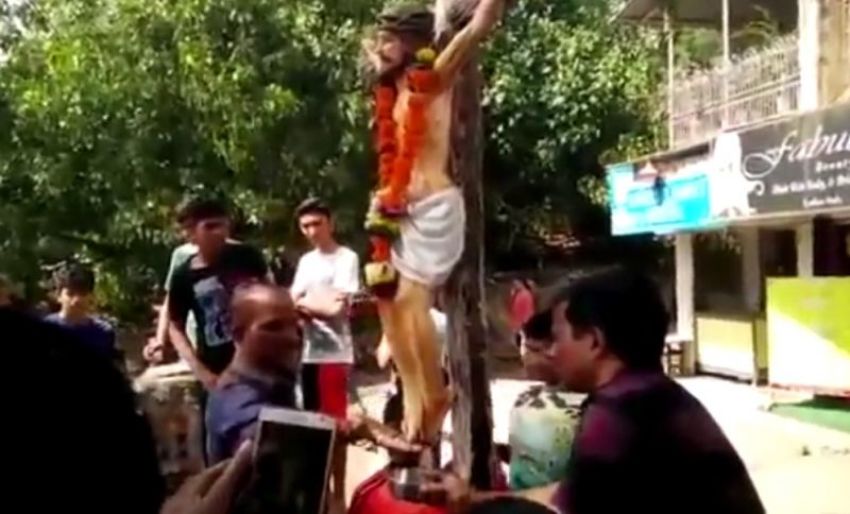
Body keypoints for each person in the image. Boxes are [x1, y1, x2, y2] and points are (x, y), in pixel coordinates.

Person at [425, 269, 765, 514]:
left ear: (594, 341)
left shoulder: (618, 410)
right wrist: (475, 498)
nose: (552, 351)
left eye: (558, 338)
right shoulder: (657, 394)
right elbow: (573, 493)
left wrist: (472, 504)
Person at [360, 0, 506, 443]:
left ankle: (437, 394)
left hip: (436, 207)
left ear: (411, 42)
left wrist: (488, 9)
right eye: (380, 38)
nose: (381, 47)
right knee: (386, 299)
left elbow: (479, 27)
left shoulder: (434, 78)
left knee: (410, 301)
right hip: (401, 210)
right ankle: (415, 394)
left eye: (390, 39)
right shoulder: (394, 89)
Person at [289, 197, 360, 506]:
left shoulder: (346, 258)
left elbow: (337, 309)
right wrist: (310, 302)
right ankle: (322, 496)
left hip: (334, 353)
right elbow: (290, 301)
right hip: (308, 354)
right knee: (313, 430)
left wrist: (306, 302)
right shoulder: (306, 262)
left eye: (317, 223)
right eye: (305, 225)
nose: (312, 231)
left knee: (337, 429)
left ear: (330, 223)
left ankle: (340, 496)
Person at [167, 197, 269, 390]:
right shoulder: (184, 274)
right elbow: (175, 325)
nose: (219, 232)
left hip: (258, 367)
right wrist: (202, 373)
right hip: (216, 370)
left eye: (223, 225)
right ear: (191, 233)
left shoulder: (247, 257)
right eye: (210, 227)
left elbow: (274, 303)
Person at [507, 310, 581, 491]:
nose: (525, 357)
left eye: (533, 349)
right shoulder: (526, 397)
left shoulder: (589, 408)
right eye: (524, 347)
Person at [44, 264, 117, 360]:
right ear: (58, 296)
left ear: (91, 296)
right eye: (70, 294)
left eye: (83, 294)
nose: (77, 300)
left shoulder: (103, 333)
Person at [509, 280, 535, 347]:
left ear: (521, 283)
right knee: (519, 340)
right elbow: (513, 308)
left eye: (516, 284)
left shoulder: (526, 294)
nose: (515, 286)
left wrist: (525, 320)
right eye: (514, 284)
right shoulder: (518, 294)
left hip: (524, 321)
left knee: (524, 340)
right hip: (518, 321)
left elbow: (528, 308)